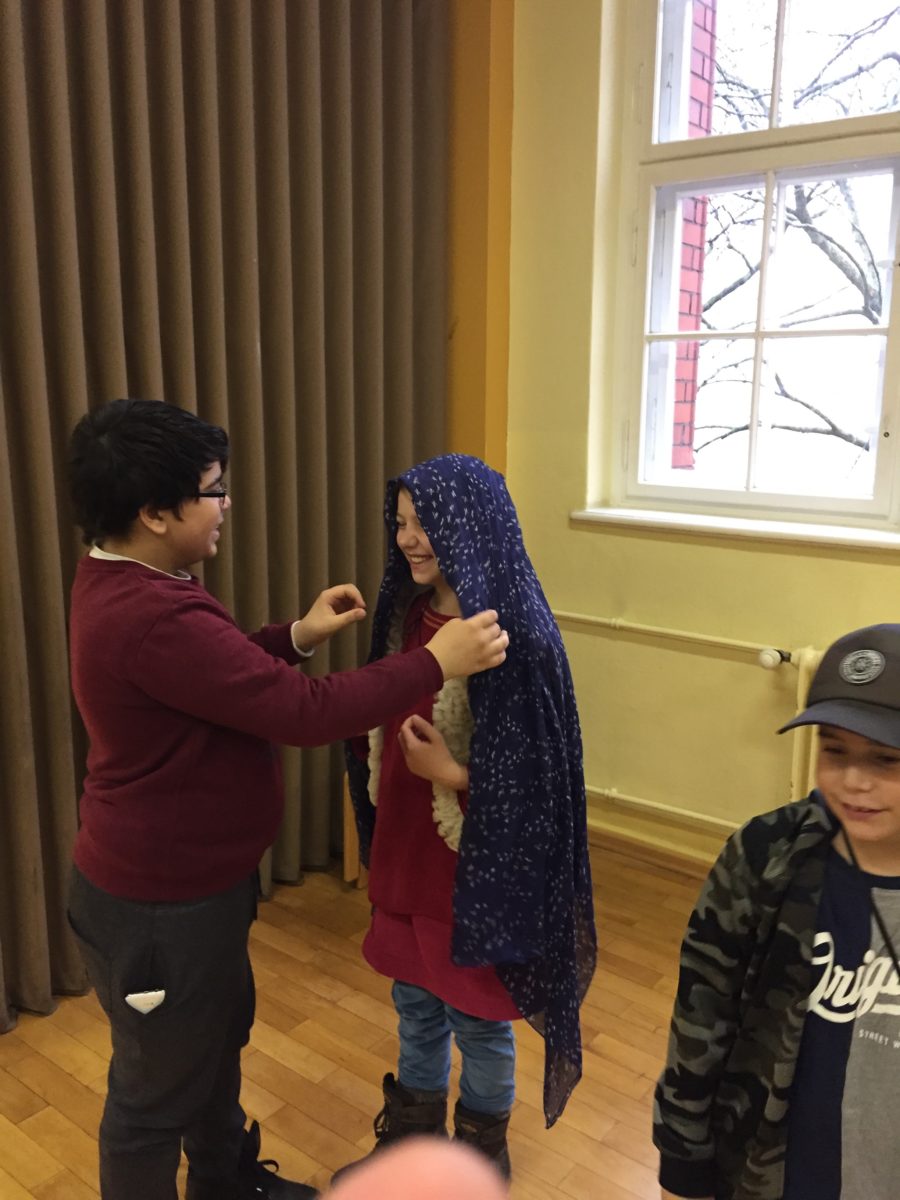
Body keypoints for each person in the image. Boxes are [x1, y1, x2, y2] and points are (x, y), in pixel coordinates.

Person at [65, 400, 508, 1200]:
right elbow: (301, 714)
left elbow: (216, 675)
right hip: (159, 910)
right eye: (212, 489)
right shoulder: (150, 613)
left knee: (212, 1046)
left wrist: (295, 637)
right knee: (151, 1100)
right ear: (155, 513)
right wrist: (434, 662)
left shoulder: (135, 581)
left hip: (192, 892)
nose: (225, 502)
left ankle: (226, 1183)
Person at [338, 454, 597, 1182]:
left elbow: (543, 787)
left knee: (479, 1023)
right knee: (415, 1007)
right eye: (400, 523)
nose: (408, 539)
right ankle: (414, 1138)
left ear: (471, 526)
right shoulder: (405, 621)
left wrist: (452, 775)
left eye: (425, 523)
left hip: (472, 879)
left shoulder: (517, 640)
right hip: (408, 859)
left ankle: (481, 1157)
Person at [654, 623, 900, 1200]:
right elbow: (701, 1019)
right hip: (770, 1173)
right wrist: (681, 1169)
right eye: (833, 750)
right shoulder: (765, 855)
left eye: (887, 759)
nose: (854, 781)